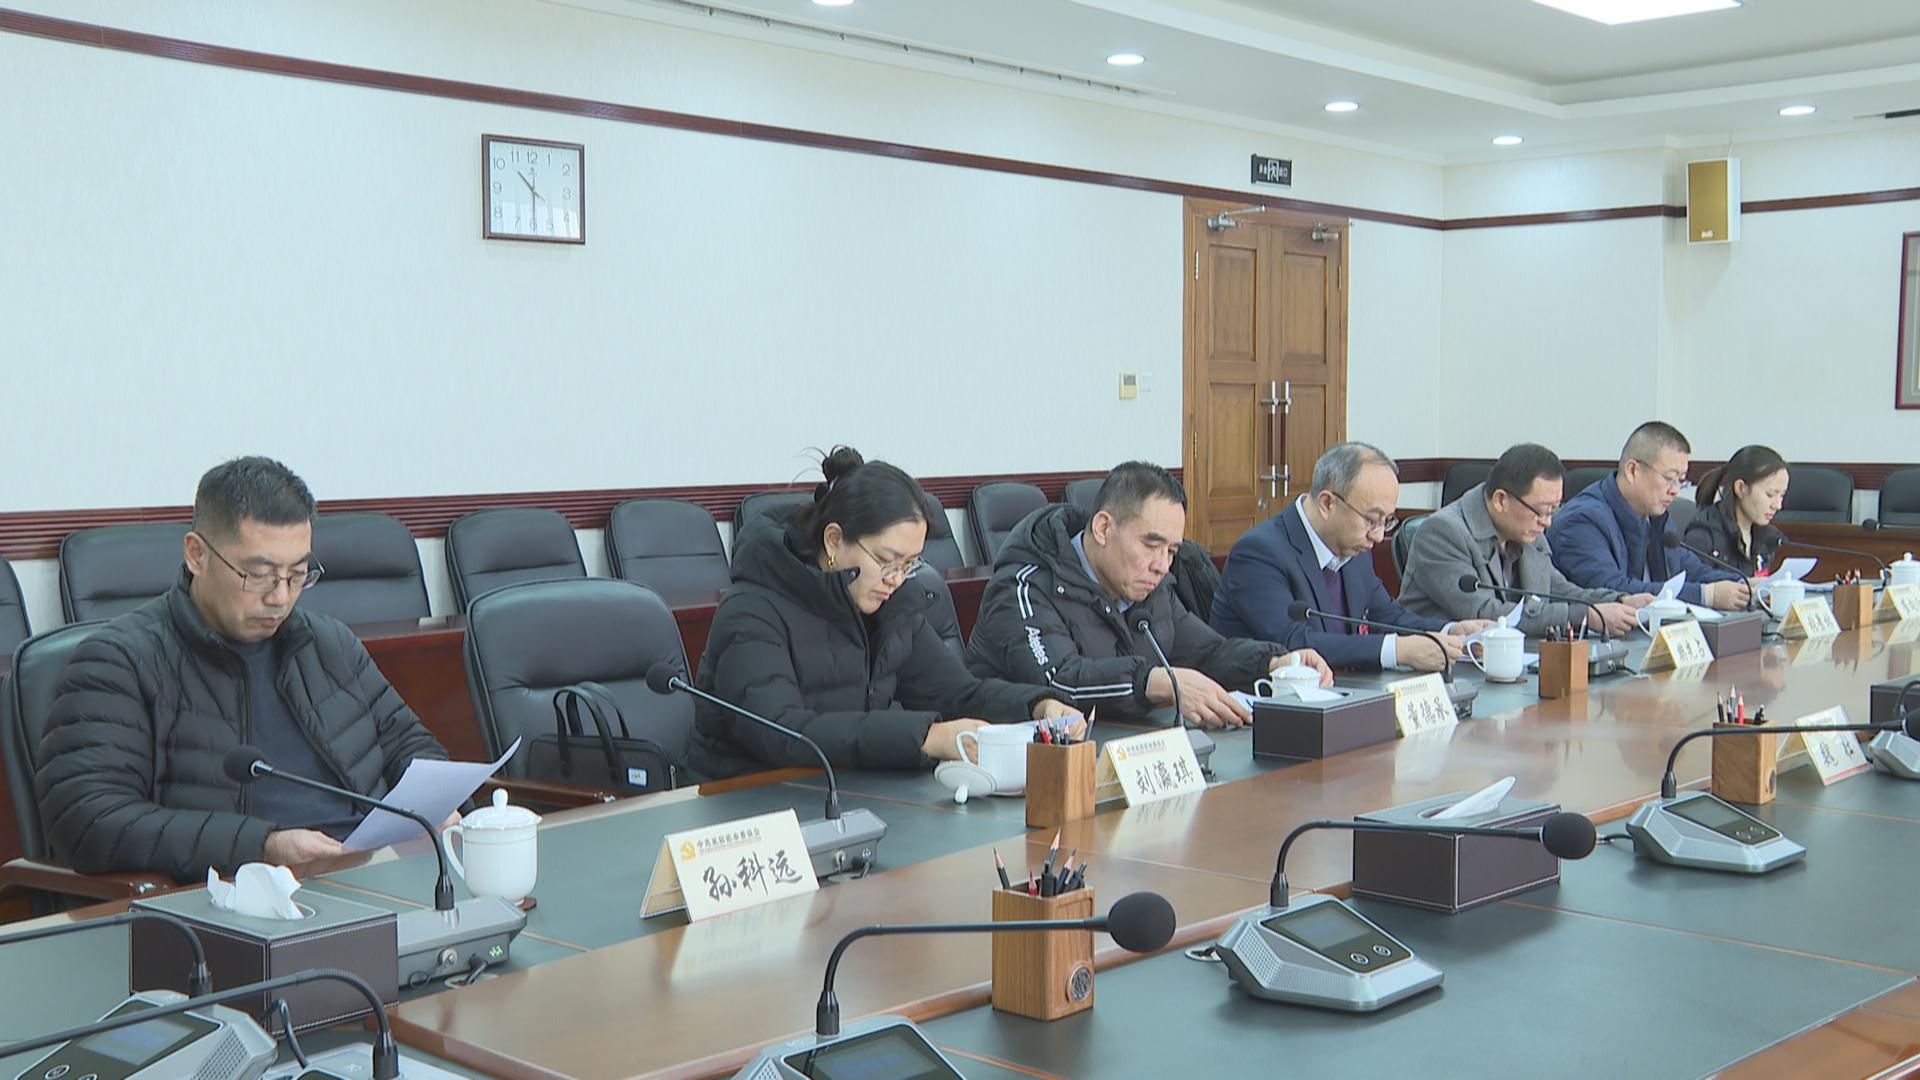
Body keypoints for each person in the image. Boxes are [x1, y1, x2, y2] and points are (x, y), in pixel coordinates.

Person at [36, 457, 450, 880]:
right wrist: (261, 847)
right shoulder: (120, 661)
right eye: (258, 575)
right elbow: (87, 819)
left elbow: (409, 743)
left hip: (374, 871)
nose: (280, 598)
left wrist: (437, 803)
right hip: (243, 890)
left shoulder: (328, 643)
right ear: (197, 555)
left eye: (297, 574)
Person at [690, 447, 1080, 778]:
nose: (896, 579)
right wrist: (926, 737)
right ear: (834, 540)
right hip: (749, 803)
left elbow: (957, 694)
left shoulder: (891, 606)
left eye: (909, 564)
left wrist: (1037, 707)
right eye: (887, 560)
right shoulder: (752, 609)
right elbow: (783, 733)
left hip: (848, 793)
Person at [966, 461, 1331, 729]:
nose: (1162, 565)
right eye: (1151, 545)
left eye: (1171, 551)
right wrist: (1157, 682)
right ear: (1103, 528)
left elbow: (1206, 652)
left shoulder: (1150, 587)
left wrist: (1273, 663)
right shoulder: (1024, 586)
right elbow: (1060, 681)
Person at [1210, 442, 1489, 672]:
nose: (1378, 536)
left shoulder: (1353, 549)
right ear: (1327, 503)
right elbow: (1293, 642)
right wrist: (1397, 651)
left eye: (1387, 521)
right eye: (1371, 520)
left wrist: (1451, 633)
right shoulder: (1259, 553)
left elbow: (1387, 615)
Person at [1401, 444, 1652, 637]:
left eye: (1553, 509)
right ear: (1501, 500)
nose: (1547, 522)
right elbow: (1487, 613)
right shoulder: (1443, 532)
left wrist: (1620, 600)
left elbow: (1560, 591)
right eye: (1541, 511)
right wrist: (1585, 616)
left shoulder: (1525, 530)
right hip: (1447, 668)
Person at [1546, 422, 1750, 610]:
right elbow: (1612, 590)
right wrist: (1705, 596)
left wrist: (1744, 584)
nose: (1675, 490)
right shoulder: (1582, 522)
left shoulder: (1655, 516)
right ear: (1633, 470)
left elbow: (1688, 569)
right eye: (1669, 478)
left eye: (1681, 481)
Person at [1683, 445, 1789, 578]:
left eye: (1782, 495)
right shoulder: (1703, 535)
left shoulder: (1766, 536)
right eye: (1770, 494)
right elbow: (1694, 583)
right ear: (1740, 488)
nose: (1778, 505)